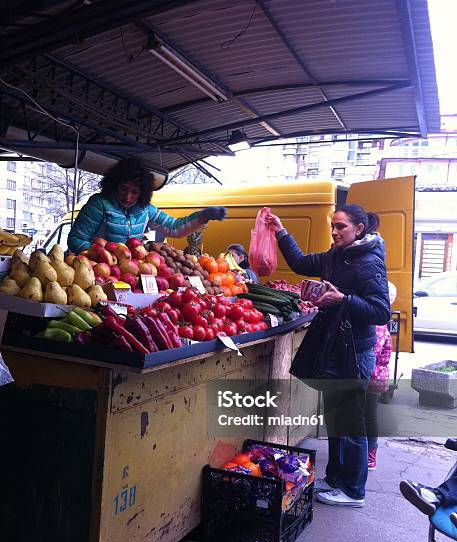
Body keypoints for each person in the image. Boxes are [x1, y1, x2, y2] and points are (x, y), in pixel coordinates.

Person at [265, 204, 390, 508]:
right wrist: (280, 230)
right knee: (337, 419)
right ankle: (336, 480)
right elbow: (299, 262)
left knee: (349, 422)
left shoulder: (369, 262)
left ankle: (354, 490)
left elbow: (380, 310)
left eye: (341, 227)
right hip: (338, 349)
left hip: (354, 353)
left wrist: (343, 299)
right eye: (333, 226)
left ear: (359, 229)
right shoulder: (337, 256)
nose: (334, 232)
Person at [68, 158, 227, 254]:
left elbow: (174, 228)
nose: (128, 197)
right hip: (96, 274)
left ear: (143, 192)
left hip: (128, 273)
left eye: (134, 192)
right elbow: (76, 239)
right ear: (114, 185)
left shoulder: (146, 210)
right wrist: (100, 256)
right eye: (124, 189)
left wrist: (202, 217)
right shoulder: (99, 204)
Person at [366, 281, 396, 471]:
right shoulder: (381, 320)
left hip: (371, 377)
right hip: (375, 377)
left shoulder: (376, 323)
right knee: (368, 415)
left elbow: (372, 351)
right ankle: (369, 453)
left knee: (368, 416)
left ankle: (370, 455)